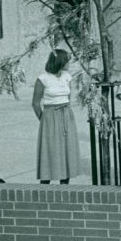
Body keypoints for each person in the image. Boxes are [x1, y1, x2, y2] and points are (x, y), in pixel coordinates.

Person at [32, 49, 81, 184]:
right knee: (50, 151)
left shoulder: (67, 76)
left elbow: (68, 98)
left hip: (66, 116)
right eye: (67, 60)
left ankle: (64, 187)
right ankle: (45, 187)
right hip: (50, 117)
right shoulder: (43, 78)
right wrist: (45, 120)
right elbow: (36, 104)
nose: (69, 63)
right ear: (60, 61)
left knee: (66, 150)